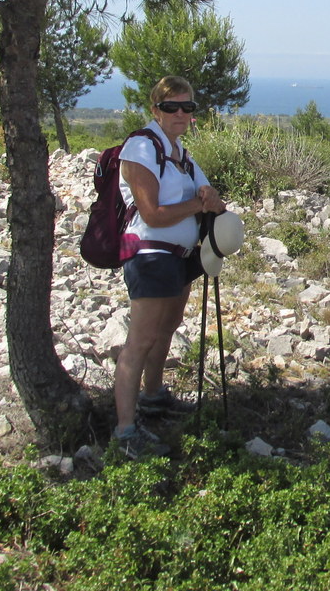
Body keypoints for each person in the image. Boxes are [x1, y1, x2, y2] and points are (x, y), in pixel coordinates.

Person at [112, 76, 225, 457]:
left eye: (187, 107)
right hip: (149, 253)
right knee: (140, 340)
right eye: (171, 107)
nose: (180, 114)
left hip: (178, 258)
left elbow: (217, 202)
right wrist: (199, 204)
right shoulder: (141, 148)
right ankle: (126, 431)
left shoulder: (180, 154)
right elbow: (153, 214)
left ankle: (153, 397)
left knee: (167, 329)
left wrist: (210, 196)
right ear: (154, 109)